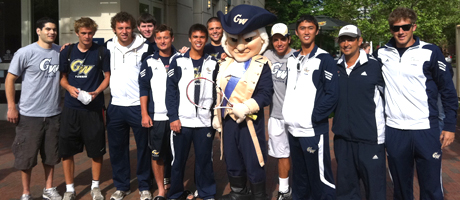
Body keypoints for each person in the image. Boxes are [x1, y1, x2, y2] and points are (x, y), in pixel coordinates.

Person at [373, 7, 457, 199]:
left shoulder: (430, 51)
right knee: (401, 189)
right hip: (395, 130)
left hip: (425, 128)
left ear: (413, 27)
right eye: (396, 28)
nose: (401, 31)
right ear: (391, 30)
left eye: (405, 27)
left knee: (431, 188)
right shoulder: (381, 54)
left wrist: (450, 126)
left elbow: (447, 91)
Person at [213, 5, 275, 200]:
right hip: (228, 120)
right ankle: (238, 192)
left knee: (253, 158)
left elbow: (266, 93)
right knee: (231, 156)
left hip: (249, 120)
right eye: (234, 40)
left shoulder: (262, 64)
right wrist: (217, 115)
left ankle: (258, 195)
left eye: (248, 39)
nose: (240, 46)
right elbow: (219, 91)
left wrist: (247, 106)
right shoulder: (224, 63)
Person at [5, 17, 62, 200]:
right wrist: (12, 107)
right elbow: (10, 79)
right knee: (26, 157)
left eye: (54, 29)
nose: (51, 32)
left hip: (53, 113)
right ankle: (26, 192)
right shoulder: (25, 52)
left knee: (51, 156)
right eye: (47, 29)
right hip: (29, 115)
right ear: (38, 31)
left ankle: (49, 189)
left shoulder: (59, 51)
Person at [282, 14, 338, 200]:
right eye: (303, 28)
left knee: (319, 177)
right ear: (296, 32)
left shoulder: (324, 58)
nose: (306, 32)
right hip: (293, 129)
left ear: (316, 30)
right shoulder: (292, 59)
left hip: (312, 130)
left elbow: (332, 94)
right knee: (299, 177)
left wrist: (313, 117)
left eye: (310, 28)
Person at [58, 17, 110, 200]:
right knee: (67, 151)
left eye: (90, 33)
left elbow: (107, 77)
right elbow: (63, 78)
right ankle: (70, 189)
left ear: (94, 33)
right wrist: (69, 88)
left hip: (93, 109)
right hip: (71, 109)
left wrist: (97, 92)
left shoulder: (102, 51)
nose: (87, 36)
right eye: (83, 33)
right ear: (77, 33)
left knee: (96, 150)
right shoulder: (68, 51)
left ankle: (95, 187)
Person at [332, 25, 385, 200]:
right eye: (343, 39)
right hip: (343, 139)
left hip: (370, 139)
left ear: (360, 41)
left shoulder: (376, 67)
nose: (346, 43)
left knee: (375, 191)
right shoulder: (335, 67)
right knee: (346, 192)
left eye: (351, 39)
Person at [165, 24, 218, 200]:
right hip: (182, 121)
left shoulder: (212, 63)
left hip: (204, 122)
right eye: (195, 37)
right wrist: (173, 117)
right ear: (189, 38)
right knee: (178, 161)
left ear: (206, 39)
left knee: (204, 160)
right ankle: (176, 193)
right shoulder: (178, 61)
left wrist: (215, 118)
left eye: (202, 37)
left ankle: (206, 192)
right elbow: (171, 92)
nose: (198, 40)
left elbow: (216, 91)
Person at [105, 11, 153, 200]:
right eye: (120, 28)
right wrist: (66, 48)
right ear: (115, 29)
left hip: (138, 106)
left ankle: (144, 186)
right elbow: (86, 50)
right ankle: (122, 186)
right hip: (116, 105)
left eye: (127, 27)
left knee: (143, 148)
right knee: (117, 149)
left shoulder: (145, 47)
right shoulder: (108, 46)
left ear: (132, 27)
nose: (124, 31)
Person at [139, 24, 179, 200]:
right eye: (159, 38)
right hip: (156, 116)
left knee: (176, 154)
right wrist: (144, 114)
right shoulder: (148, 61)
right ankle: (161, 190)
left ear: (172, 39)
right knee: (157, 155)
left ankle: (175, 187)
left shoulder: (182, 58)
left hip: (177, 116)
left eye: (166, 37)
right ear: (155, 40)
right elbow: (143, 89)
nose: (163, 41)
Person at [262, 22, 295, 200]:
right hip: (276, 115)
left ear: (289, 39)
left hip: (297, 116)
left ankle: (304, 186)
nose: (279, 43)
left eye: (283, 38)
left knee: (300, 154)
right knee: (282, 154)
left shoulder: (298, 57)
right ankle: (284, 190)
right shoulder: (266, 55)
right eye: (276, 39)